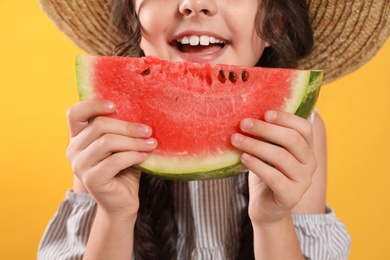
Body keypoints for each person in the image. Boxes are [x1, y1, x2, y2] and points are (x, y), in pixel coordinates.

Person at [37, 0, 389, 259]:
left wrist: (272, 221)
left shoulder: (295, 129)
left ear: (277, 22)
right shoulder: (111, 124)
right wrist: (115, 214)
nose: (195, 5)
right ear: (134, 18)